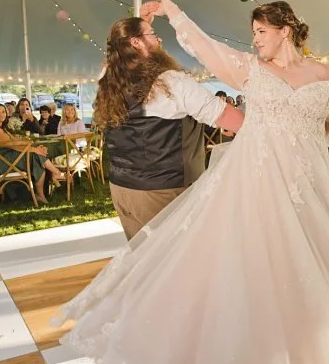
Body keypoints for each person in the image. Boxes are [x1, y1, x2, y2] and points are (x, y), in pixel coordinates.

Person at [56, 0, 329, 364]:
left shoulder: (328, 76)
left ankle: (314, 349)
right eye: (252, 34)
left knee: (313, 261)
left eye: (261, 32)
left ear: (286, 30)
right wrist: (174, 12)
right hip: (256, 180)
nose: (255, 41)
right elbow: (205, 48)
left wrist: (304, 141)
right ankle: (253, 356)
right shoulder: (250, 70)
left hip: (306, 183)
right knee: (251, 262)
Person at [79, 15, 243, 240]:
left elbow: (117, 54)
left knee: (143, 263)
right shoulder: (171, 82)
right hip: (162, 192)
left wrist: (133, 28)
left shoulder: (108, 79)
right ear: (136, 42)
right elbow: (236, 121)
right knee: (175, 265)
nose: (158, 40)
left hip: (122, 188)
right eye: (152, 34)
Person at [0, 102, 65, 204]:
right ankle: (55, 174)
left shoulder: (1, 126)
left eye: (3, 111)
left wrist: (34, 146)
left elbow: (15, 140)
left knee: (36, 157)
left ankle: (42, 193)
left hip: (5, 158)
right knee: (36, 155)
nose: (1, 114)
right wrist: (35, 150)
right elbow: (12, 145)